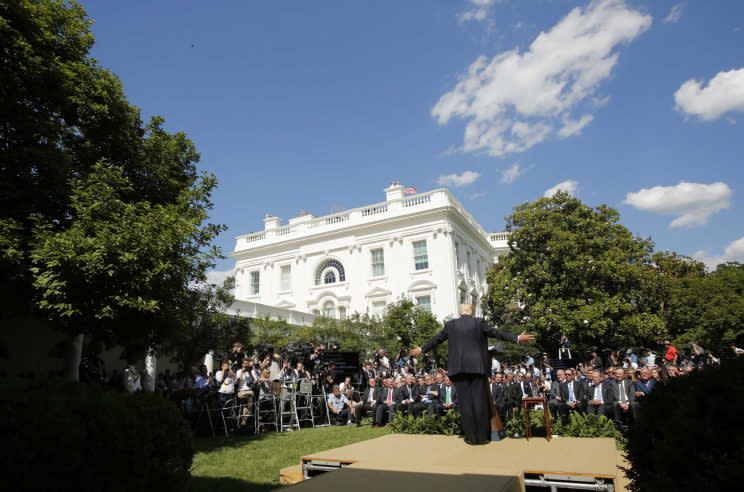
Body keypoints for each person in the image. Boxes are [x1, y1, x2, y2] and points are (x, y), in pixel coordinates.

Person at [410, 304, 534, 445]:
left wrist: (422, 349)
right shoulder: (479, 322)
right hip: (478, 369)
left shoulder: (450, 325)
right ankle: (482, 438)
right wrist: (516, 337)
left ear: (460, 312)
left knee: (466, 404)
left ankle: (471, 438)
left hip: (459, 370)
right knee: (480, 403)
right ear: (472, 311)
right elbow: (497, 333)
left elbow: (437, 339)